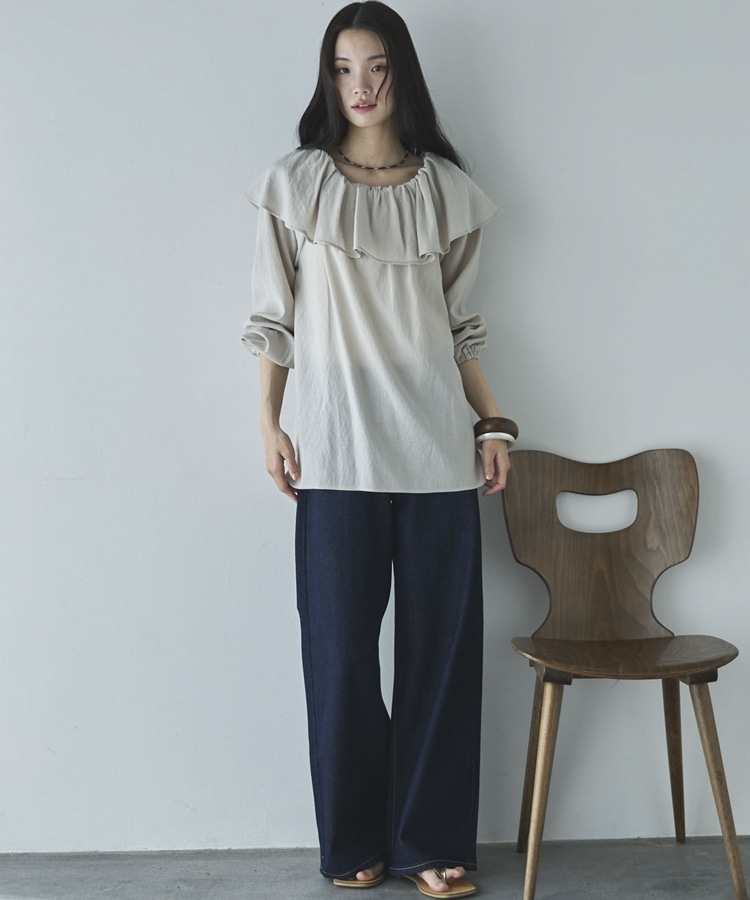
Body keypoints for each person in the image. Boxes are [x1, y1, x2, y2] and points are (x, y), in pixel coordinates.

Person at [242, 3, 516, 895]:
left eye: (377, 66)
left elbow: (462, 327)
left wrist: (493, 423)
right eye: (343, 68)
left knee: (442, 656)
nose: (360, 86)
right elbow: (273, 320)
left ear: (403, 72)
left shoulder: (447, 191)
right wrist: (269, 422)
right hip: (333, 448)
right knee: (340, 655)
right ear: (328, 78)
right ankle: (356, 835)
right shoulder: (295, 185)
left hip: (437, 447)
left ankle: (430, 843)